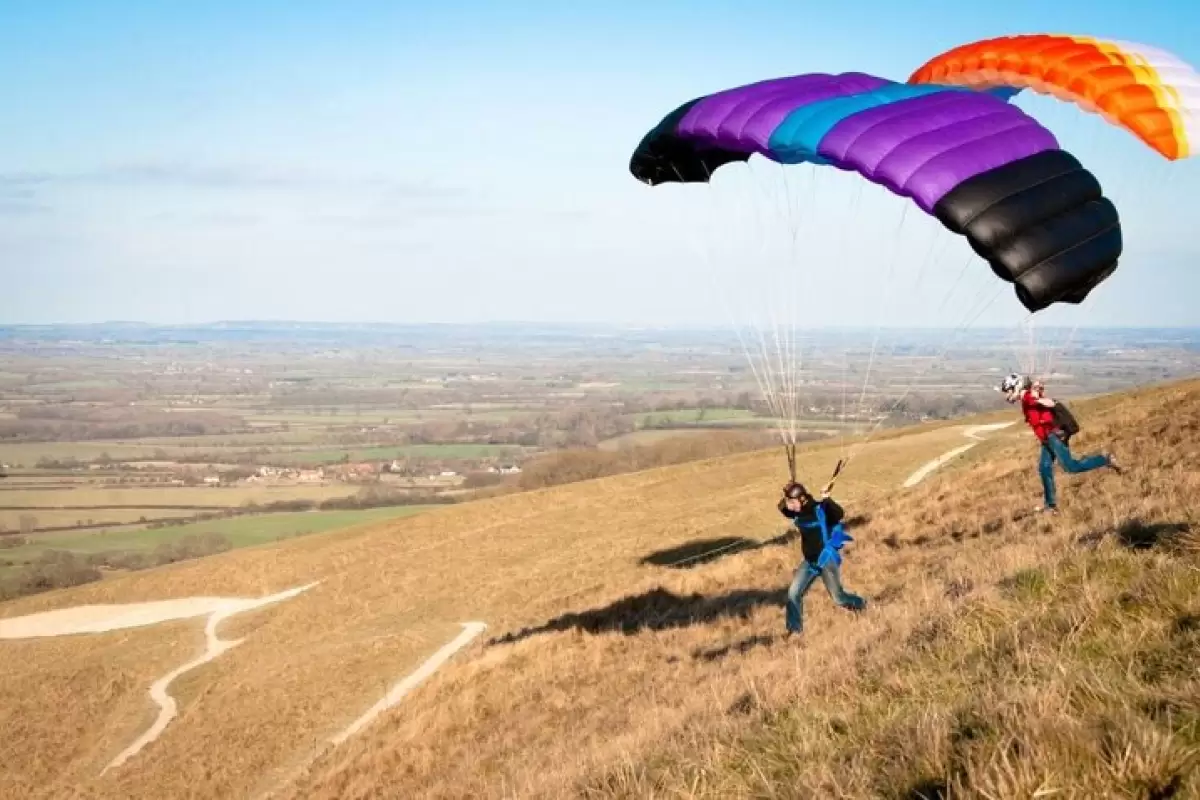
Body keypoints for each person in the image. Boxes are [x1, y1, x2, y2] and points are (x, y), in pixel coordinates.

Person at [999, 374, 1122, 513]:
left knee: (1070, 467)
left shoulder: (1028, 397)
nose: (1007, 396)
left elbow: (1050, 403)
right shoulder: (1027, 398)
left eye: (1008, 391)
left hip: (1053, 436)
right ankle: (1050, 506)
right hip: (1047, 438)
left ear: (1016, 387)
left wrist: (1038, 396)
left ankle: (1106, 459)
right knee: (1045, 467)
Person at [777, 480, 866, 637]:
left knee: (838, 598)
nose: (789, 505)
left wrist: (826, 498)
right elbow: (781, 507)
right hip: (810, 562)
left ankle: (862, 605)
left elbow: (839, 514)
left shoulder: (819, 509)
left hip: (826, 560)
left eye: (792, 501)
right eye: (789, 502)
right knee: (793, 594)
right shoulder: (796, 512)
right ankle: (795, 631)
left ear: (802, 499)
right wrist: (789, 489)